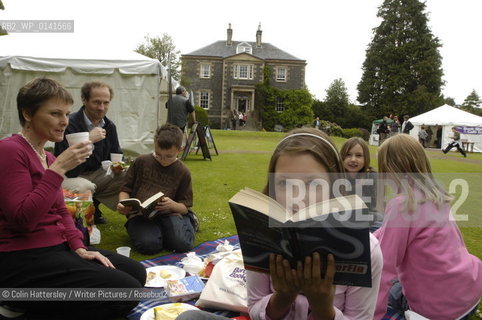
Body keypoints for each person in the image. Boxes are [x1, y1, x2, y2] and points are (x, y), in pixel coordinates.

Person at [0, 78, 146, 320]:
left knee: (135, 272)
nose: (65, 121)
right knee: (125, 292)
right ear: (27, 113)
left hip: (56, 248)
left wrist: (79, 247)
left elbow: (59, 211)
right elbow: (22, 220)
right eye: (55, 113)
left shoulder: (45, 156)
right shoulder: (9, 150)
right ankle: (17, 303)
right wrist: (58, 170)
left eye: (67, 114)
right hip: (22, 257)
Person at [248, 128, 383, 320]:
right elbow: (254, 306)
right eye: (284, 183)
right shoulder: (262, 237)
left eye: (312, 184)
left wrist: (323, 308)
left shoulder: (367, 251)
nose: (296, 198)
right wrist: (283, 297)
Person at [374, 134, 481, 319]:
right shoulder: (436, 196)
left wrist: (372, 314)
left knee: (392, 291)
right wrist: (369, 237)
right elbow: (458, 243)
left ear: (390, 168)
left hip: (438, 308)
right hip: (469, 288)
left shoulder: (402, 206)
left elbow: (383, 267)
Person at [117, 123, 197, 255]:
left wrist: (172, 205)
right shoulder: (141, 161)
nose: (163, 160)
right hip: (140, 216)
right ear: (154, 143)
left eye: (169, 156)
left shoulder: (183, 171)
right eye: (159, 154)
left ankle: (190, 221)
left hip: (170, 214)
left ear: (180, 150)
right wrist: (122, 203)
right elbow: (125, 189)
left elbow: (184, 207)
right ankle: (160, 232)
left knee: (182, 245)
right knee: (149, 246)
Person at [54, 81, 125, 224]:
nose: (101, 108)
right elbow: (69, 170)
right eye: (96, 102)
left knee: (129, 175)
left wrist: (118, 165)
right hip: (71, 175)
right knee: (83, 185)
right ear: (84, 100)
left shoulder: (109, 126)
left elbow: (116, 153)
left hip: (97, 174)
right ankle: (83, 222)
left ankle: (137, 219)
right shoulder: (68, 124)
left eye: (106, 103)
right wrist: (89, 139)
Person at [340, 137, 382, 231]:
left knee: (380, 222)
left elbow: (370, 208)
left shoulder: (371, 176)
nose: (353, 159)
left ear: (365, 158)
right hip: (342, 220)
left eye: (359, 155)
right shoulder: (336, 176)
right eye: (348, 155)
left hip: (367, 220)